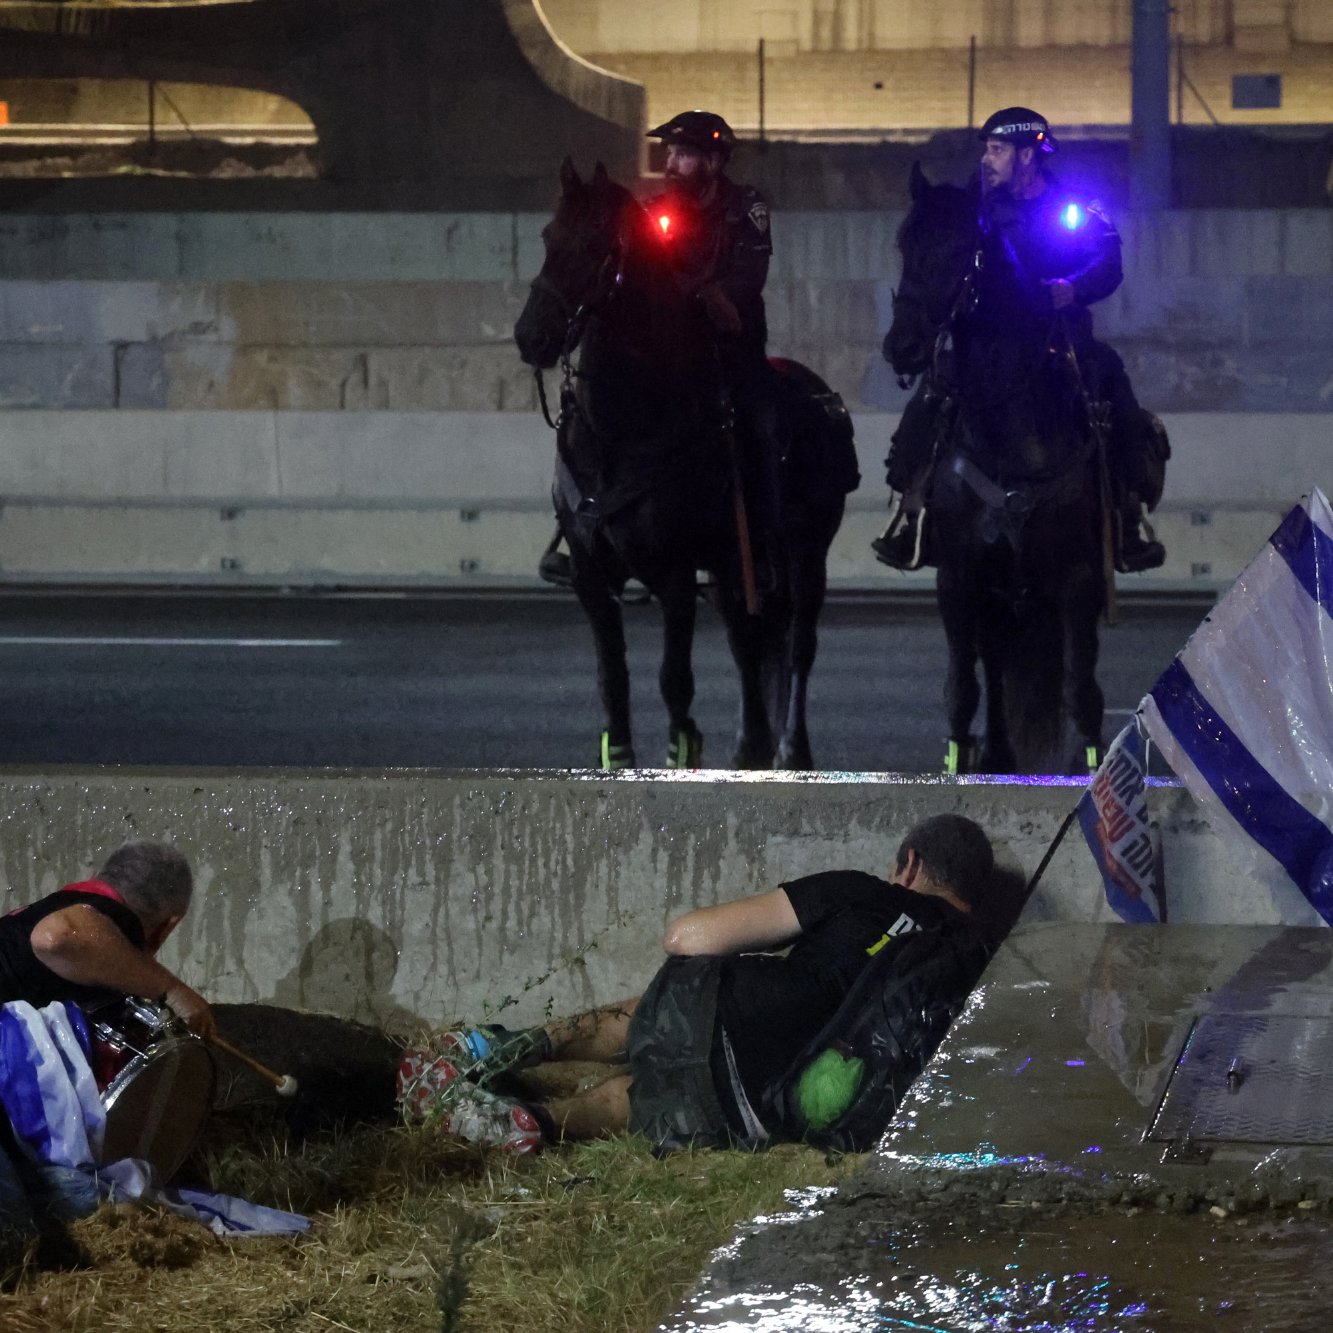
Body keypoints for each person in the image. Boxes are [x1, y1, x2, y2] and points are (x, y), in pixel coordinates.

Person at [403, 813, 997, 1152]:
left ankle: (493, 1047)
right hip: (777, 1106)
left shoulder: (865, 893)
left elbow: (686, 938)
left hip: (734, 1012)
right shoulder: (974, 963)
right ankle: (541, 1123)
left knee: (679, 995)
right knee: (647, 1099)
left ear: (910, 865)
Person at [873, 106, 1166, 574]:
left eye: (997, 150)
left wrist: (1075, 288)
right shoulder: (979, 209)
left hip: (1059, 335)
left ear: (1027, 155)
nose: (986, 160)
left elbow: (1109, 264)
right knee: (930, 398)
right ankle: (911, 512)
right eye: (987, 150)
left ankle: (1127, 516)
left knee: (1111, 383)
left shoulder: (1075, 206)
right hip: (986, 340)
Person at [539, 109, 782, 590]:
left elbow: (747, 281)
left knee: (765, 424)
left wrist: (703, 294)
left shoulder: (745, 207)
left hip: (729, 348)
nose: (671, 164)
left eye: (684, 154)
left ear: (714, 162)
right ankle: (577, 530)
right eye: (669, 153)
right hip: (670, 352)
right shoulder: (651, 212)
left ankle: (766, 544)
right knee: (594, 418)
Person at [0, 840, 214, 1038]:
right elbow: (55, 937)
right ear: (167, 927)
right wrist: (172, 990)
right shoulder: (117, 919)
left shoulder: (51, 906)